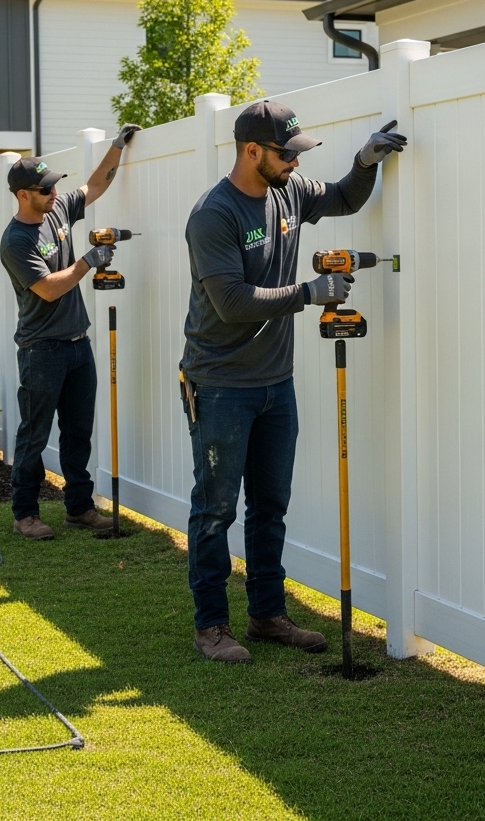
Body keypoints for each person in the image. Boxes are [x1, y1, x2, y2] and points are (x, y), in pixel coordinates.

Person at [180, 99, 406, 662]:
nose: (296, 165)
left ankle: (267, 615)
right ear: (251, 151)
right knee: (215, 510)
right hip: (220, 382)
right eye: (287, 154)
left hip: (275, 383)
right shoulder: (214, 214)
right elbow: (230, 302)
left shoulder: (289, 192)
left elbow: (343, 197)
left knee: (270, 504)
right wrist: (309, 294)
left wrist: (365, 160)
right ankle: (211, 626)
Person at [0, 125, 140, 540]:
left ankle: (78, 508)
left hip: (79, 343)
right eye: (44, 190)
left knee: (78, 431)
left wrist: (117, 146)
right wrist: (87, 262)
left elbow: (95, 184)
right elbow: (46, 289)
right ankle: (25, 513)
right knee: (34, 434)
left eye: (53, 187)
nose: (53, 194)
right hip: (41, 349)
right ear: (24, 195)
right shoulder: (16, 241)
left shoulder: (58, 211)